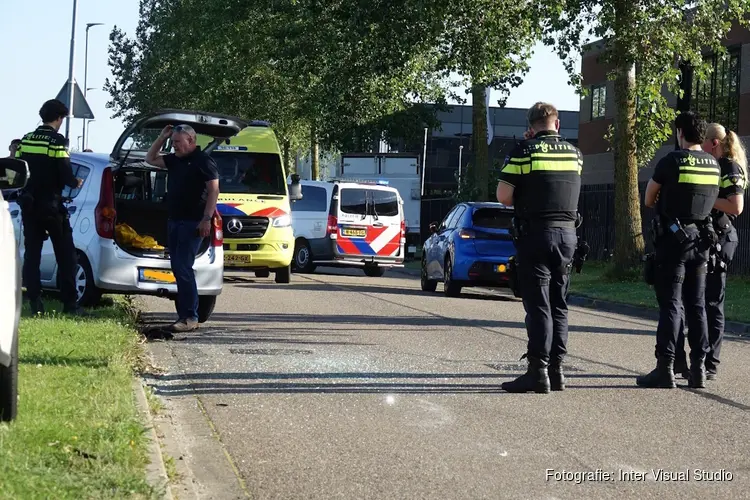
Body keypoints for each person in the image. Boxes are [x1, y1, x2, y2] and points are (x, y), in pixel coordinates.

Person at [496, 102, 583, 394]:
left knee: (538, 306)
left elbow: (504, 196)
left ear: (531, 126)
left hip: (536, 234)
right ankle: (558, 371)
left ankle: (538, 371)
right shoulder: (575, 154)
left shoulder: (523, 151)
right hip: (568, 236)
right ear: (557, 125)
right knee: (559, 303)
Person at [638, 111, 720, 389]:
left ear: (680, 133)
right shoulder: (713, 164)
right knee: (696, 305)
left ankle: (666, 367)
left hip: (673, 242)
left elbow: (649, 198)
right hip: (701, 242)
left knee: (672, 304)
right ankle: (697, 370)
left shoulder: (672, 160)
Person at [671, 123, 747, 381]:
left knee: (712, 302)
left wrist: (701, 198)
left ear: (713, 143)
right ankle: (688, 362)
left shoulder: (729, 167)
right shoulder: (707, 165)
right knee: (690, 301)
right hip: (702, 237)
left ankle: (709, 364)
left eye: (703, 142)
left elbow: (736, 206)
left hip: (720, 238)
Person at [146, 124, 220, 332]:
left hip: (193, 223)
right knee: (179, 268)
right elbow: (150, 159)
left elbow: (214, 191)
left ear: (191, 140)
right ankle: (186, 315)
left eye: (177, 142)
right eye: (173, 142)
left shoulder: (203, 161)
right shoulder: (174, 160)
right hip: (175, 221)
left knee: (183, 268)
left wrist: (206, 218)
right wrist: (162, 137)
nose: (174, 146)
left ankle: (190, 317)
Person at [15, 99, 85, 316]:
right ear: (59, 118)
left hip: (29, 204)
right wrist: (75, 182)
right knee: (65, 255)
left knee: (32, 255)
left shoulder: (26, 140)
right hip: (52, 205)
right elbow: (64, 172)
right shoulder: (57, 142)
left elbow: (17, 170)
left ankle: (35, 302)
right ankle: (70, 305)